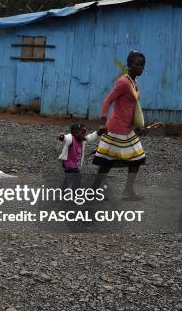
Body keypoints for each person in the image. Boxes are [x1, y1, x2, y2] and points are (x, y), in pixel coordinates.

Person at [91, 50, 147, 200]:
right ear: (129, 65)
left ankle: (127, 191)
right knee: (107, 162)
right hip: (116, 129)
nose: (140, 67)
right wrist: (103, 122)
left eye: (142, 65)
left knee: (137, 159)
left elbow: (133, 106)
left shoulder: (134, 82)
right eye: (137, 64)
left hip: (127, 129)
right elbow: (107, 101)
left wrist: (139, 124)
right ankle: (94, 191)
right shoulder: (123, 82)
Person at [57, 123, 104, 191]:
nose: (84, 135)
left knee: (69, 178)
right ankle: (75, 192)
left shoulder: (82, 139)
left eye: (85, 133)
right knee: (77, 176)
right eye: (82, 133)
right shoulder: (70, 138)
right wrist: (61, 137)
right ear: (75, 133)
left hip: (75, 163)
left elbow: (90, 137)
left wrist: (98, 133)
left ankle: (63, 190)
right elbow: (65, 138)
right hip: (68, 162)